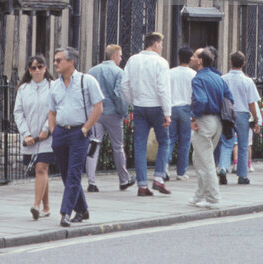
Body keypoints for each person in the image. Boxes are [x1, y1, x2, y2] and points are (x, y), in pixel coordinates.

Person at [47, 47, 103, 227]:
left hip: (79, 132)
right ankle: (82, 209)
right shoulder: (54, 85)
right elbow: (52, 111)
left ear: (71, 62)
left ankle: (65, 212)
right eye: (55, 60)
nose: (55, 63)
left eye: (59, 60)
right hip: (61, 133)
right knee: (65, 174)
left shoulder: (87, 81)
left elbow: (98, 107)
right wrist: (53, 130)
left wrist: (86, 129)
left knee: (74, 173)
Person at [120, 32, 172, 196]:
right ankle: (158, 178)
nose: (162, 48)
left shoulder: (132, 60)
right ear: (156, 44)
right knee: (164, 141)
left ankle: (142, 185)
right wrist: (167, 112)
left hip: (139, 106)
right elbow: (163, 88)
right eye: (161, 44)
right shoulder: (161, 62)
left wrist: (132, 101)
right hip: (156, 106)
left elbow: (124, 85)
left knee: (140, 145)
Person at [85, 44, 133, 192]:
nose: (121, 58)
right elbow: (119, 95)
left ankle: (91, 182)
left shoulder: (92, 71)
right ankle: (124, 180)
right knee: (118, 147)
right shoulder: (119, 72)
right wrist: (123, 112)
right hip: (113, 113)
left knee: (93, 145)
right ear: (114, 56)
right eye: (120, 55)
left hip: (96, 114)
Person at [189, 48, 232, 209]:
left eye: (194, 56)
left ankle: (213, 198)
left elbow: (200, 100)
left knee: (205, 161)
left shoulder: (197, 79)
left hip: (204, 121)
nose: (191, 58)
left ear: (200, 61)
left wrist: (193, 117)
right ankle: (199, 195)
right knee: (198, 158)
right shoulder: (218, 78)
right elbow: (229, 98)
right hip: (218, 121)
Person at [14, 54, 54, 220]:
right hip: (30, 138)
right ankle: (46, 206)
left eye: (40, 66)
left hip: (48, 137)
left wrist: (46, 129)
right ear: (29, 71)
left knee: (41, 168)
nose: (37, 70)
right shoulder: (23, 89)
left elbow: (54, 110)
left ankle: (36, 206)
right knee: (40, 172)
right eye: (33, 68)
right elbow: (18, 112)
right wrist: (26, 134)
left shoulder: (53, 87)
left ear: (45, 68)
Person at [218, 51, 260, 186]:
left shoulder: (223, 79)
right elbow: (252, 103)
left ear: (230, 62)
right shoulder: (247, 81)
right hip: (242, 114)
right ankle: (242, 175)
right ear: (243, 64)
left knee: (227, 142)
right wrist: (256, 119)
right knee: (243, 145)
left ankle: (223, 167)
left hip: (227, 114)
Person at [166, 46, 196, 181]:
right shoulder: (193, 75)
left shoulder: (170, 72)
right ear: (190, 59)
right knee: (185, 141)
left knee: (169, 139)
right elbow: (194, 95)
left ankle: (164, 166)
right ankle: (181, 172)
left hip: (171, 107)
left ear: (178, 57)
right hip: (186, 108)